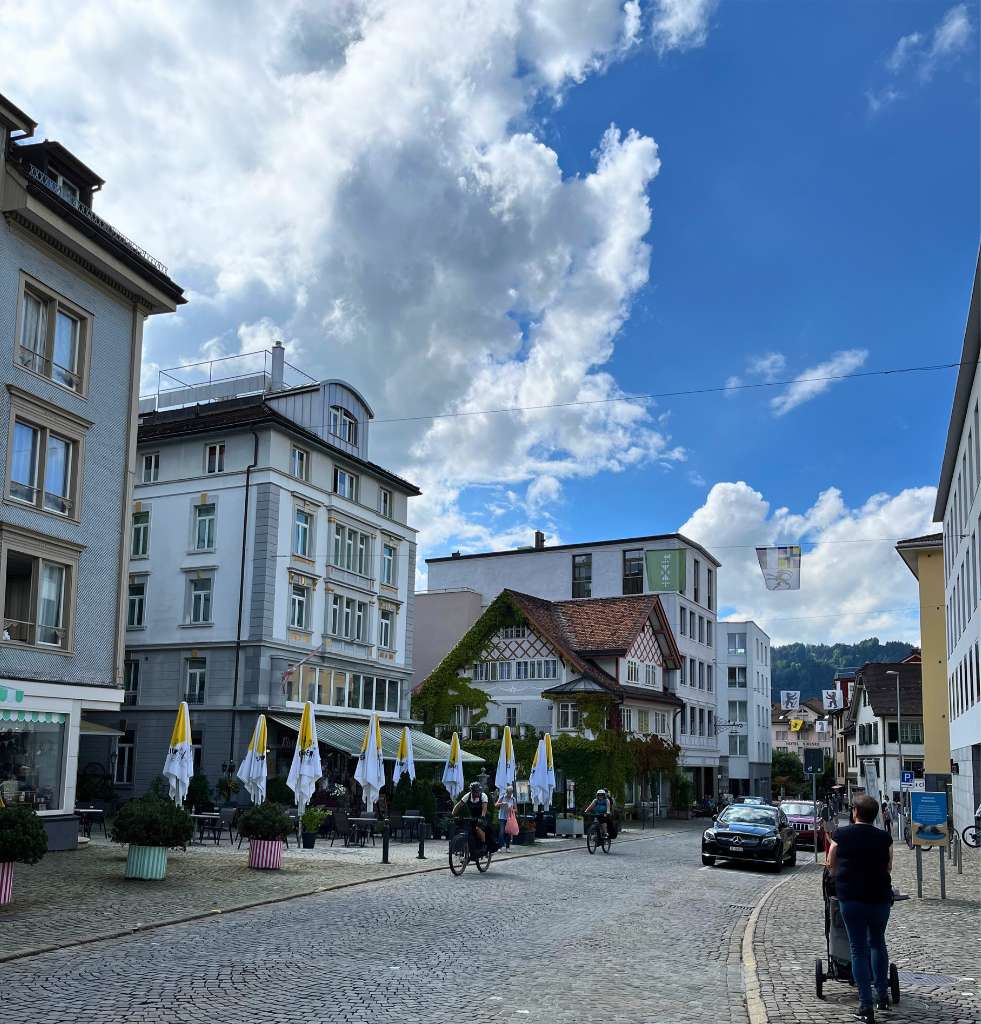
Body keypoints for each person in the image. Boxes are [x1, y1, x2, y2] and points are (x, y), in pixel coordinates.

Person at [826, 793, 894, 1022]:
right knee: (878, 943)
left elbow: (830, 860)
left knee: (857, 949)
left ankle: (866, 1006)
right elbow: (888, 867)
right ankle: (883, 996)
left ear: (855, 812)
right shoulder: (884, 838)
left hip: (852, 898)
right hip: (879, 899)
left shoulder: (842, 835)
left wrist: (837, 875)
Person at [452, 781, 489, 854]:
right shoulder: (468, 796)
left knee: (478, 829)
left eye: (478, 791)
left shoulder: (483, 796)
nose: (477, 793)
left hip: (483, 816)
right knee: (466, 830)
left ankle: (484, 845)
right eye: (476, 792)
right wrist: (453, 813)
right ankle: (468, 848)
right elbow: (459, 805)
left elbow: (484, 807)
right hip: (472, 817)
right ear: (472, 791)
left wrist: (482, 817)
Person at [495, 784, 517, 851]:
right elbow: (496, 805)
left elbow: (516, 809)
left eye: (511, 793)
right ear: (507, 792)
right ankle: (500, 846)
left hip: (509, 818)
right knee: (501, 832)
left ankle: (507, 847)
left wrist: (511, 809)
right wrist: (502, 804)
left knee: (508, 832)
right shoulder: (502, 797)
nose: (510, 794)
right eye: (509, 793)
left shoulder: (513, 799)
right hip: (502, 817)